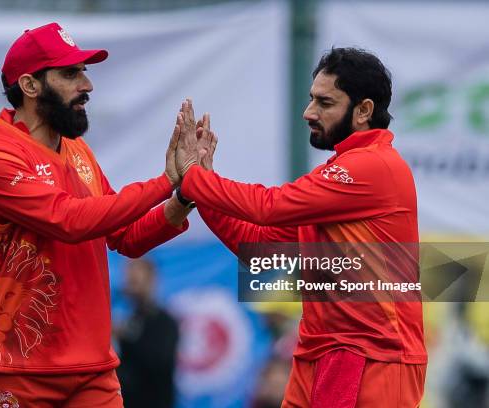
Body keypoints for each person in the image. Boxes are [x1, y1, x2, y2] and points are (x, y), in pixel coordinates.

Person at [0, 22, 193, 407]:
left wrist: (182, 196)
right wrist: (165, 181)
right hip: (12, 369)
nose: (87, 85)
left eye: (84, 72)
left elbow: (127, 236)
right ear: (30, 86)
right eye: (71, 73)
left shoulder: (78, 151)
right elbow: (69, 220)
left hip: (92, 371)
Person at [174, 48, 427, 407]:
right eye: (311, 99)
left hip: (372, 357)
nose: (309, 112)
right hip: (319, 353)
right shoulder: (338, 175)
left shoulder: (372, 167)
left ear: (364, 110)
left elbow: (268, 207)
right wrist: (204, 186)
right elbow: (259, 244)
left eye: (325, 102)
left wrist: (195, 180)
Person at [115, 258, 179, 408]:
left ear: (151, 279)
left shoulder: (165, 322)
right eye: (129, 280)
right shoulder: (128, 317)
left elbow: (159, 363)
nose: (130, 284)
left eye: (135, 280)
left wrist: (126, 337)